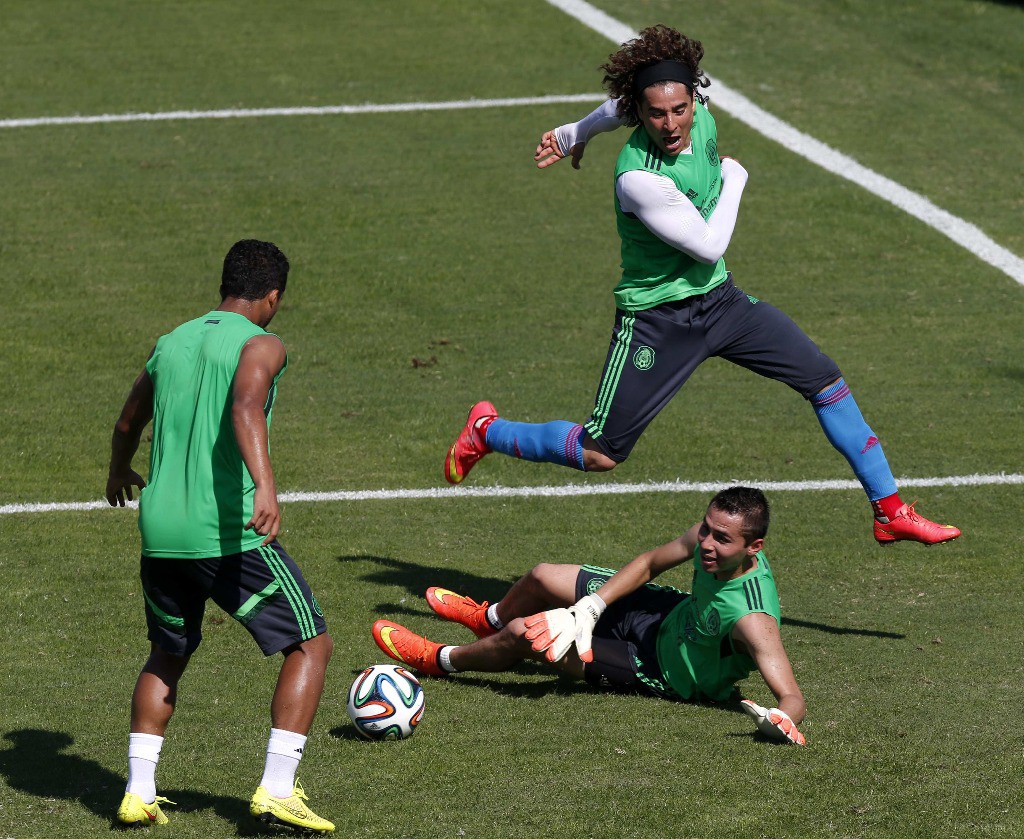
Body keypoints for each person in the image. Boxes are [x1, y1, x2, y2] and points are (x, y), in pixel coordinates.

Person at [443, 24, 960, 548]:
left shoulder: (693, 114)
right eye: (656, 114)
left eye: (680, 109)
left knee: (824, 380)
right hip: (658, 321)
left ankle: (890, 509)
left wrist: (577, 130)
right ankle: (487, 431)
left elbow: (613, 111)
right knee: (600, 453)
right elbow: (710, 244)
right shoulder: (638, 179)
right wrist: (734, 176)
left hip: (722, 303)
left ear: (696, 100)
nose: (670, 124)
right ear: (640, 114)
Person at [105, 240, 335, 833]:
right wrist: (265, 485)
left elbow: (130, 419)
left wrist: (117, 468)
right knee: (310, 643)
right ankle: (278, 788)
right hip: (225, 534)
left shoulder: (171, 342)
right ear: (274, 295)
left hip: (160, 533)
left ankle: (138, 792)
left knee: (169, 651)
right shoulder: (263, 344)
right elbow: (245, 406)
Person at [372, 486, 807, 746]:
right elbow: (651, 563)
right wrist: (592, 606)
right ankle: (488, 619)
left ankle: (441, 659)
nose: (706, 543)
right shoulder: (711, 537)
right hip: (666, 615)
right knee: (542, 578)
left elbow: (792, 696)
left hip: (659, 669)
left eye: (722, 539)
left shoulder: (754, 620)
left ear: (754, 548)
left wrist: (780, 720)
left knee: (530, 636)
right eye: (706, 529)